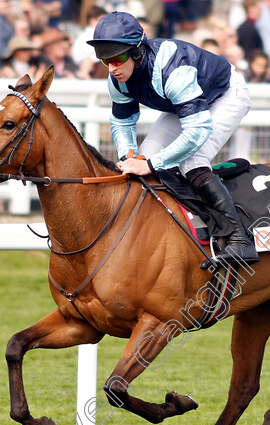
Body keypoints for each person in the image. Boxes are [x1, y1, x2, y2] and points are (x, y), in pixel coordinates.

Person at [86, 11, 259, 263]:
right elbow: (123, 122)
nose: (112, 68)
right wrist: (129, 156)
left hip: (225, 95)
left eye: (118, 58)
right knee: (143, 159)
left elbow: (196, 131)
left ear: (137, 51)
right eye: (105, 61)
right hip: (183, 105)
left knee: (192, 159)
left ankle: (239, 239)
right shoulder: (118, 79)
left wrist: (150, 165)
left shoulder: (173, 69)